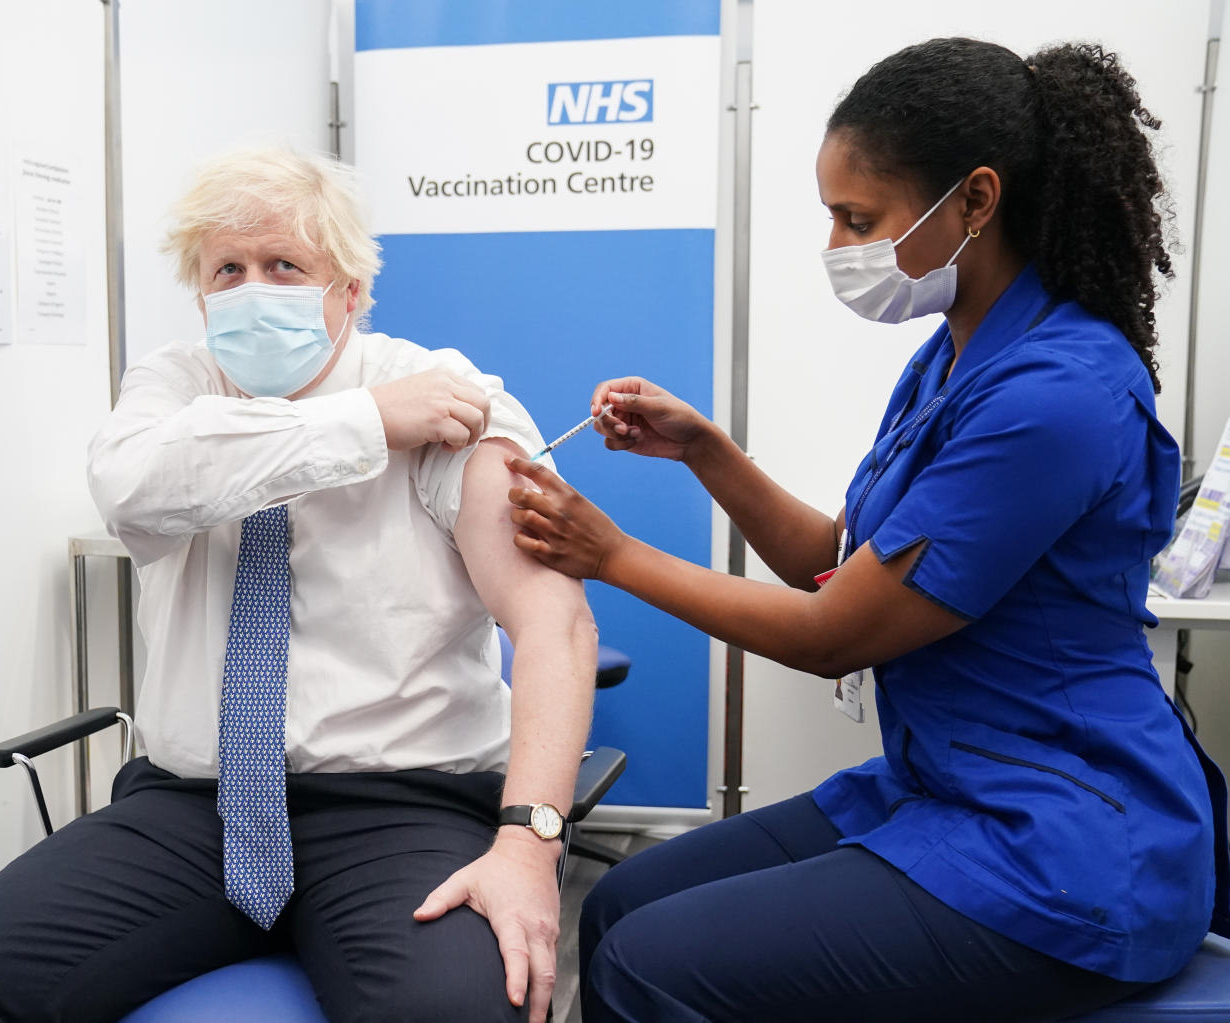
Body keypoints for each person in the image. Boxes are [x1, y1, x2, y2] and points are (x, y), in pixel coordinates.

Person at [504, 38, 1230, 1022]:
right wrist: (707, 451)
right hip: (946, 783)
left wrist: (612, 555)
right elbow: (835, 565)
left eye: (860, 219)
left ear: (976, 200)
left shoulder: (1058, 395)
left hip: (1066, 841)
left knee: (648, 965)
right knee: (623, 901)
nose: (841, 247)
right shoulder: (954, 360)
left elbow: (834, 632)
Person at [0, 148, 597, 1023]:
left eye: (285, 265)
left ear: (350, 290)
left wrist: (530, 843)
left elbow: (553, 625)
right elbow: (133, 489)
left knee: (460, 1011)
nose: (252, 288)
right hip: (192, 808)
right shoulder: (176, 384)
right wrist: (363, 424)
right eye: (227, 270)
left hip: (400, 805)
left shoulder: (451, 397)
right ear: (201, 296)